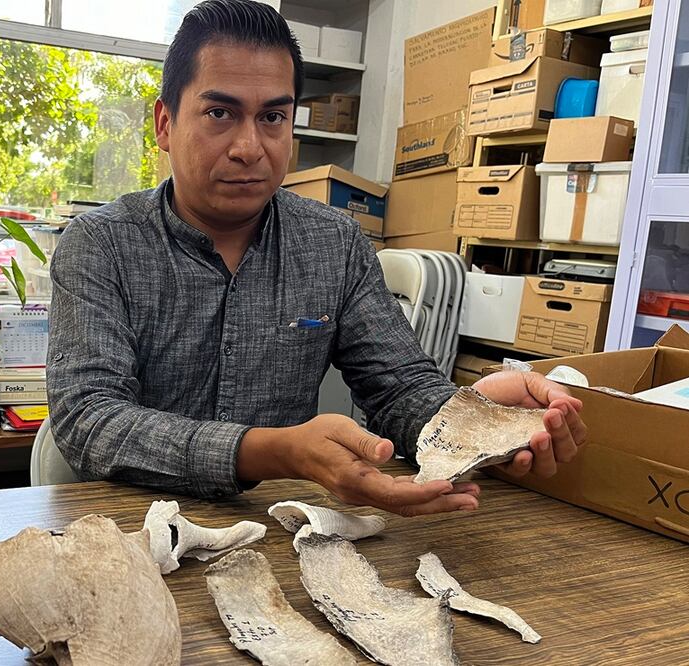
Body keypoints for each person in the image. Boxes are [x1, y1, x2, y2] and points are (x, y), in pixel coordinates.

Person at [45, 0, 586, 516]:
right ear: (164, 124)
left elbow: (399, 387)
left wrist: (472, 415)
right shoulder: (101, 245)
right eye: (219, 113)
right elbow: (91, 419)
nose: (249, 147)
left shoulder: (335, 245)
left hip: (279, 528)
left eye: (273, 118)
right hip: (124, 527)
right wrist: (274, 452)